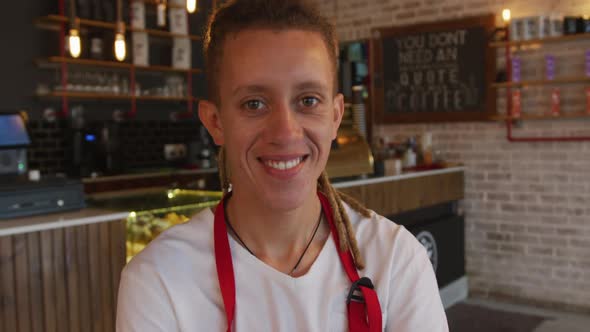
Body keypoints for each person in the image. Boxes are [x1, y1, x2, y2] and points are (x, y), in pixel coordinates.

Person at [116, 0, 449, 331]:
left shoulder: (396, 260)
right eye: (255, 103)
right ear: (215, 122)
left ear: (335, 117)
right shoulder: (158, 280)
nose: (285, 132)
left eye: (308, 100)